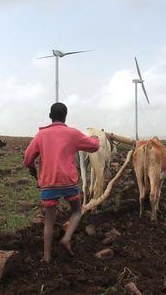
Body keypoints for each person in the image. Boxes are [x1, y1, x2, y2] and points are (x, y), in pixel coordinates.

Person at [23, 102, 100, 263]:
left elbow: (27, 159)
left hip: (48, 185)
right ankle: (66, 237)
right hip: (69, 184)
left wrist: (33, 169)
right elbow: (93, 147)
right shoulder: (72, 134)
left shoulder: (41, 135)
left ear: (50, 116)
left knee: (49, 221)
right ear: (65, 117)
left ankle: (46, 256)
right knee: (77, 211)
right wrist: (95, 138)